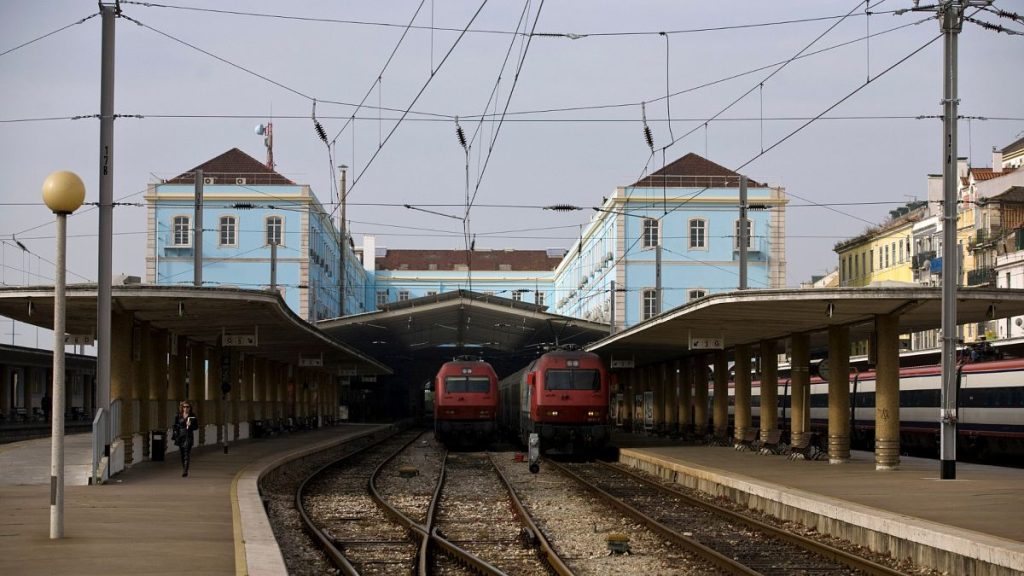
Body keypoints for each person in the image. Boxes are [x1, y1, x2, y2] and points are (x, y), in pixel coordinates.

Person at [172, 401, 198, 477]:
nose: (185, 408)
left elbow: (196, 427)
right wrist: (175, 432)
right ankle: (184, 468)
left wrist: (191, 425)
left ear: (190, 408)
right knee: (182, 453)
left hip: (188, 435)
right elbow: (175, 425)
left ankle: (185, 471)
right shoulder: (178, 415)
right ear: (182, 408)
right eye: (184, 407)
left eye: (187, 407)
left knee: (187, 453)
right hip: (181, 436)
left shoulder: (192, 416)